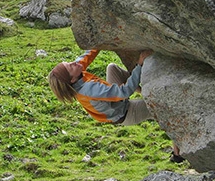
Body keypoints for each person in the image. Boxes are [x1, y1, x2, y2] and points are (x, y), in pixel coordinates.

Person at [48, 49, 184, 161]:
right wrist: (140, 65)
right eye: (70, 66)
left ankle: (145, 92)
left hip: (115, 102)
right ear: (72, 79)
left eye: (69, 62)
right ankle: (177, 153)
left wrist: (99, 43)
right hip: (126, 112)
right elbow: (123, 92)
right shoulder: (89, 90)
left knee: (112, 68)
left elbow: (87, 55)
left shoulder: (76, 72)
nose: (74, 62)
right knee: (163, 108)